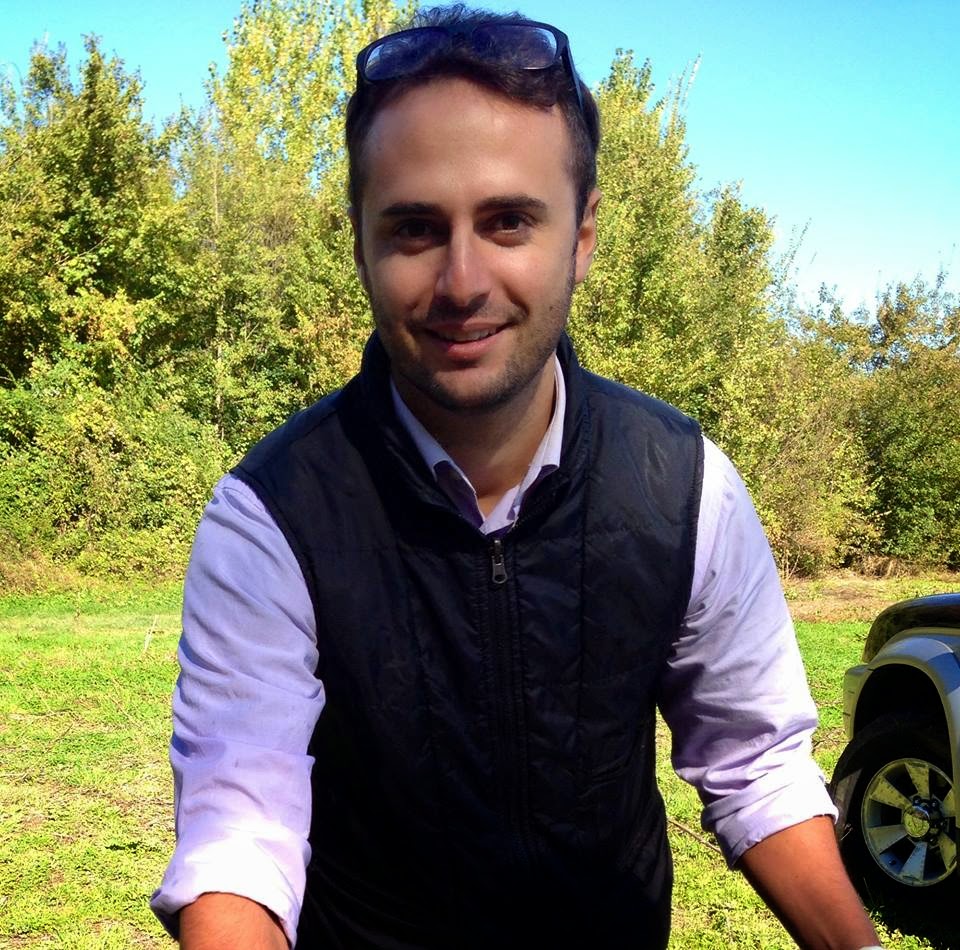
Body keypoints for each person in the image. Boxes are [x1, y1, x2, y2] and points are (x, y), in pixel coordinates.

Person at [152, 6, 882, 949]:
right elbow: (239, 839)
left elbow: (757, 765)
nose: (462, 282)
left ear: (582, 236)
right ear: (360, 243)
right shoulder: (272, 517)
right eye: (415, 228)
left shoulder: (684, 487)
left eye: (508, 221)